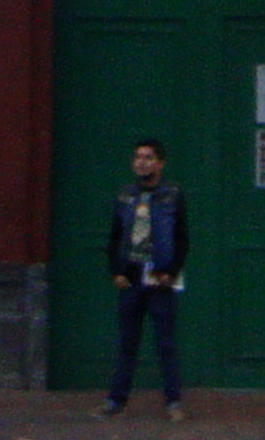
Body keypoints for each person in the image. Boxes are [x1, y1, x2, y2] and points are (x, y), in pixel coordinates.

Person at [100, 139, 188, 421]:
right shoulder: (126, 195)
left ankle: (173, 401)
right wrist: (116, 272)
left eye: (148, 158)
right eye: (138, 157)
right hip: (132, 274)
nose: (142, 162)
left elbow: (182, 238)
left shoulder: (172, 195)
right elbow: (115, 236)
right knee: (128, 341)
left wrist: (171, 271)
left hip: (160, 275)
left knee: (165, 343)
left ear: (160, 163)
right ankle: (117, 399)